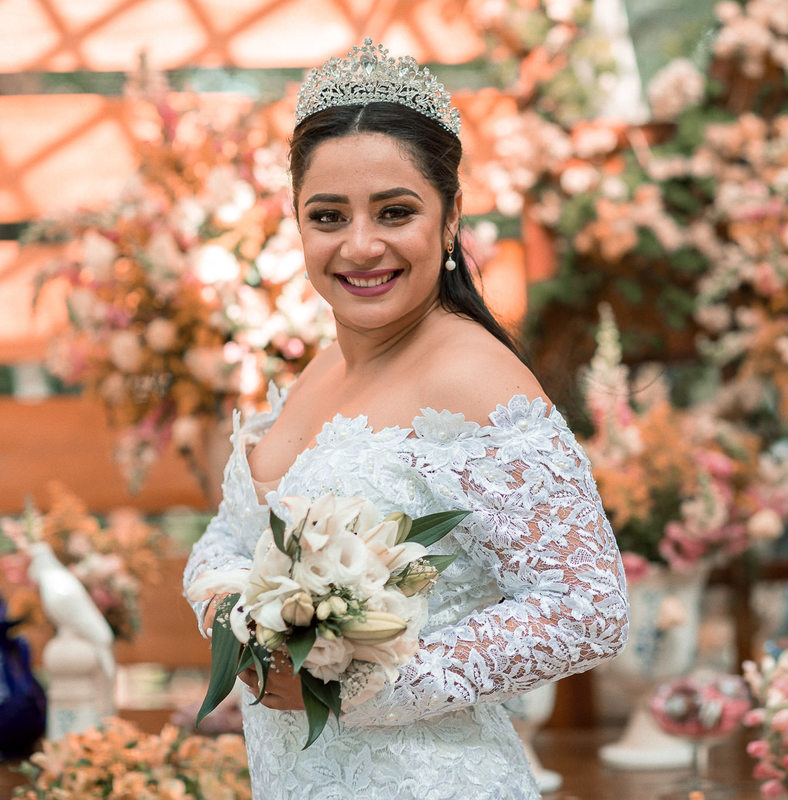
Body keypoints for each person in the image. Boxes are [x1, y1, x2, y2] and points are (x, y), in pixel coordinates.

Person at [183, 39, 629, 800]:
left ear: (450, 219)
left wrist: (354, 679)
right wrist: (240, 618)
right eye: (329, 216)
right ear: (299, 224)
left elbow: (588, 607)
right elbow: (229, 539)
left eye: (395, 212)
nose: (360, 245)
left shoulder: (471, 376)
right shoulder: (323, 368)